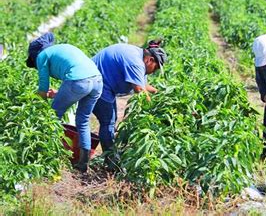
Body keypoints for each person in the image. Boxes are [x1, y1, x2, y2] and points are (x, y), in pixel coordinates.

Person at [26, 32, 103, 173]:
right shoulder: (61, 49)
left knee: (52, 117)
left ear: (34, 55)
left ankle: (45, 155)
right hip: (97, 81)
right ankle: (83, 163)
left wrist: (35, 101)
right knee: (83, 119)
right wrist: (57, 94)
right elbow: (75, 74)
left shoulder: (42, 56)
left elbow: (43, 88)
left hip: (78, 81)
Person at [91, 40, 167, 168]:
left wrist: (159, 93)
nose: (154, 72)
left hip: (102, 83)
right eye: (156, 68)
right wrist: (155, 110)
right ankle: (111, 161)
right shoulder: (136, 62)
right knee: (108, 121)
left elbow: (142, 84)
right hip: (96, 83)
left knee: (110, 120)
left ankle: (111, 157)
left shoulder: (138, 57)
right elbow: (139, 90)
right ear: (150, 60)